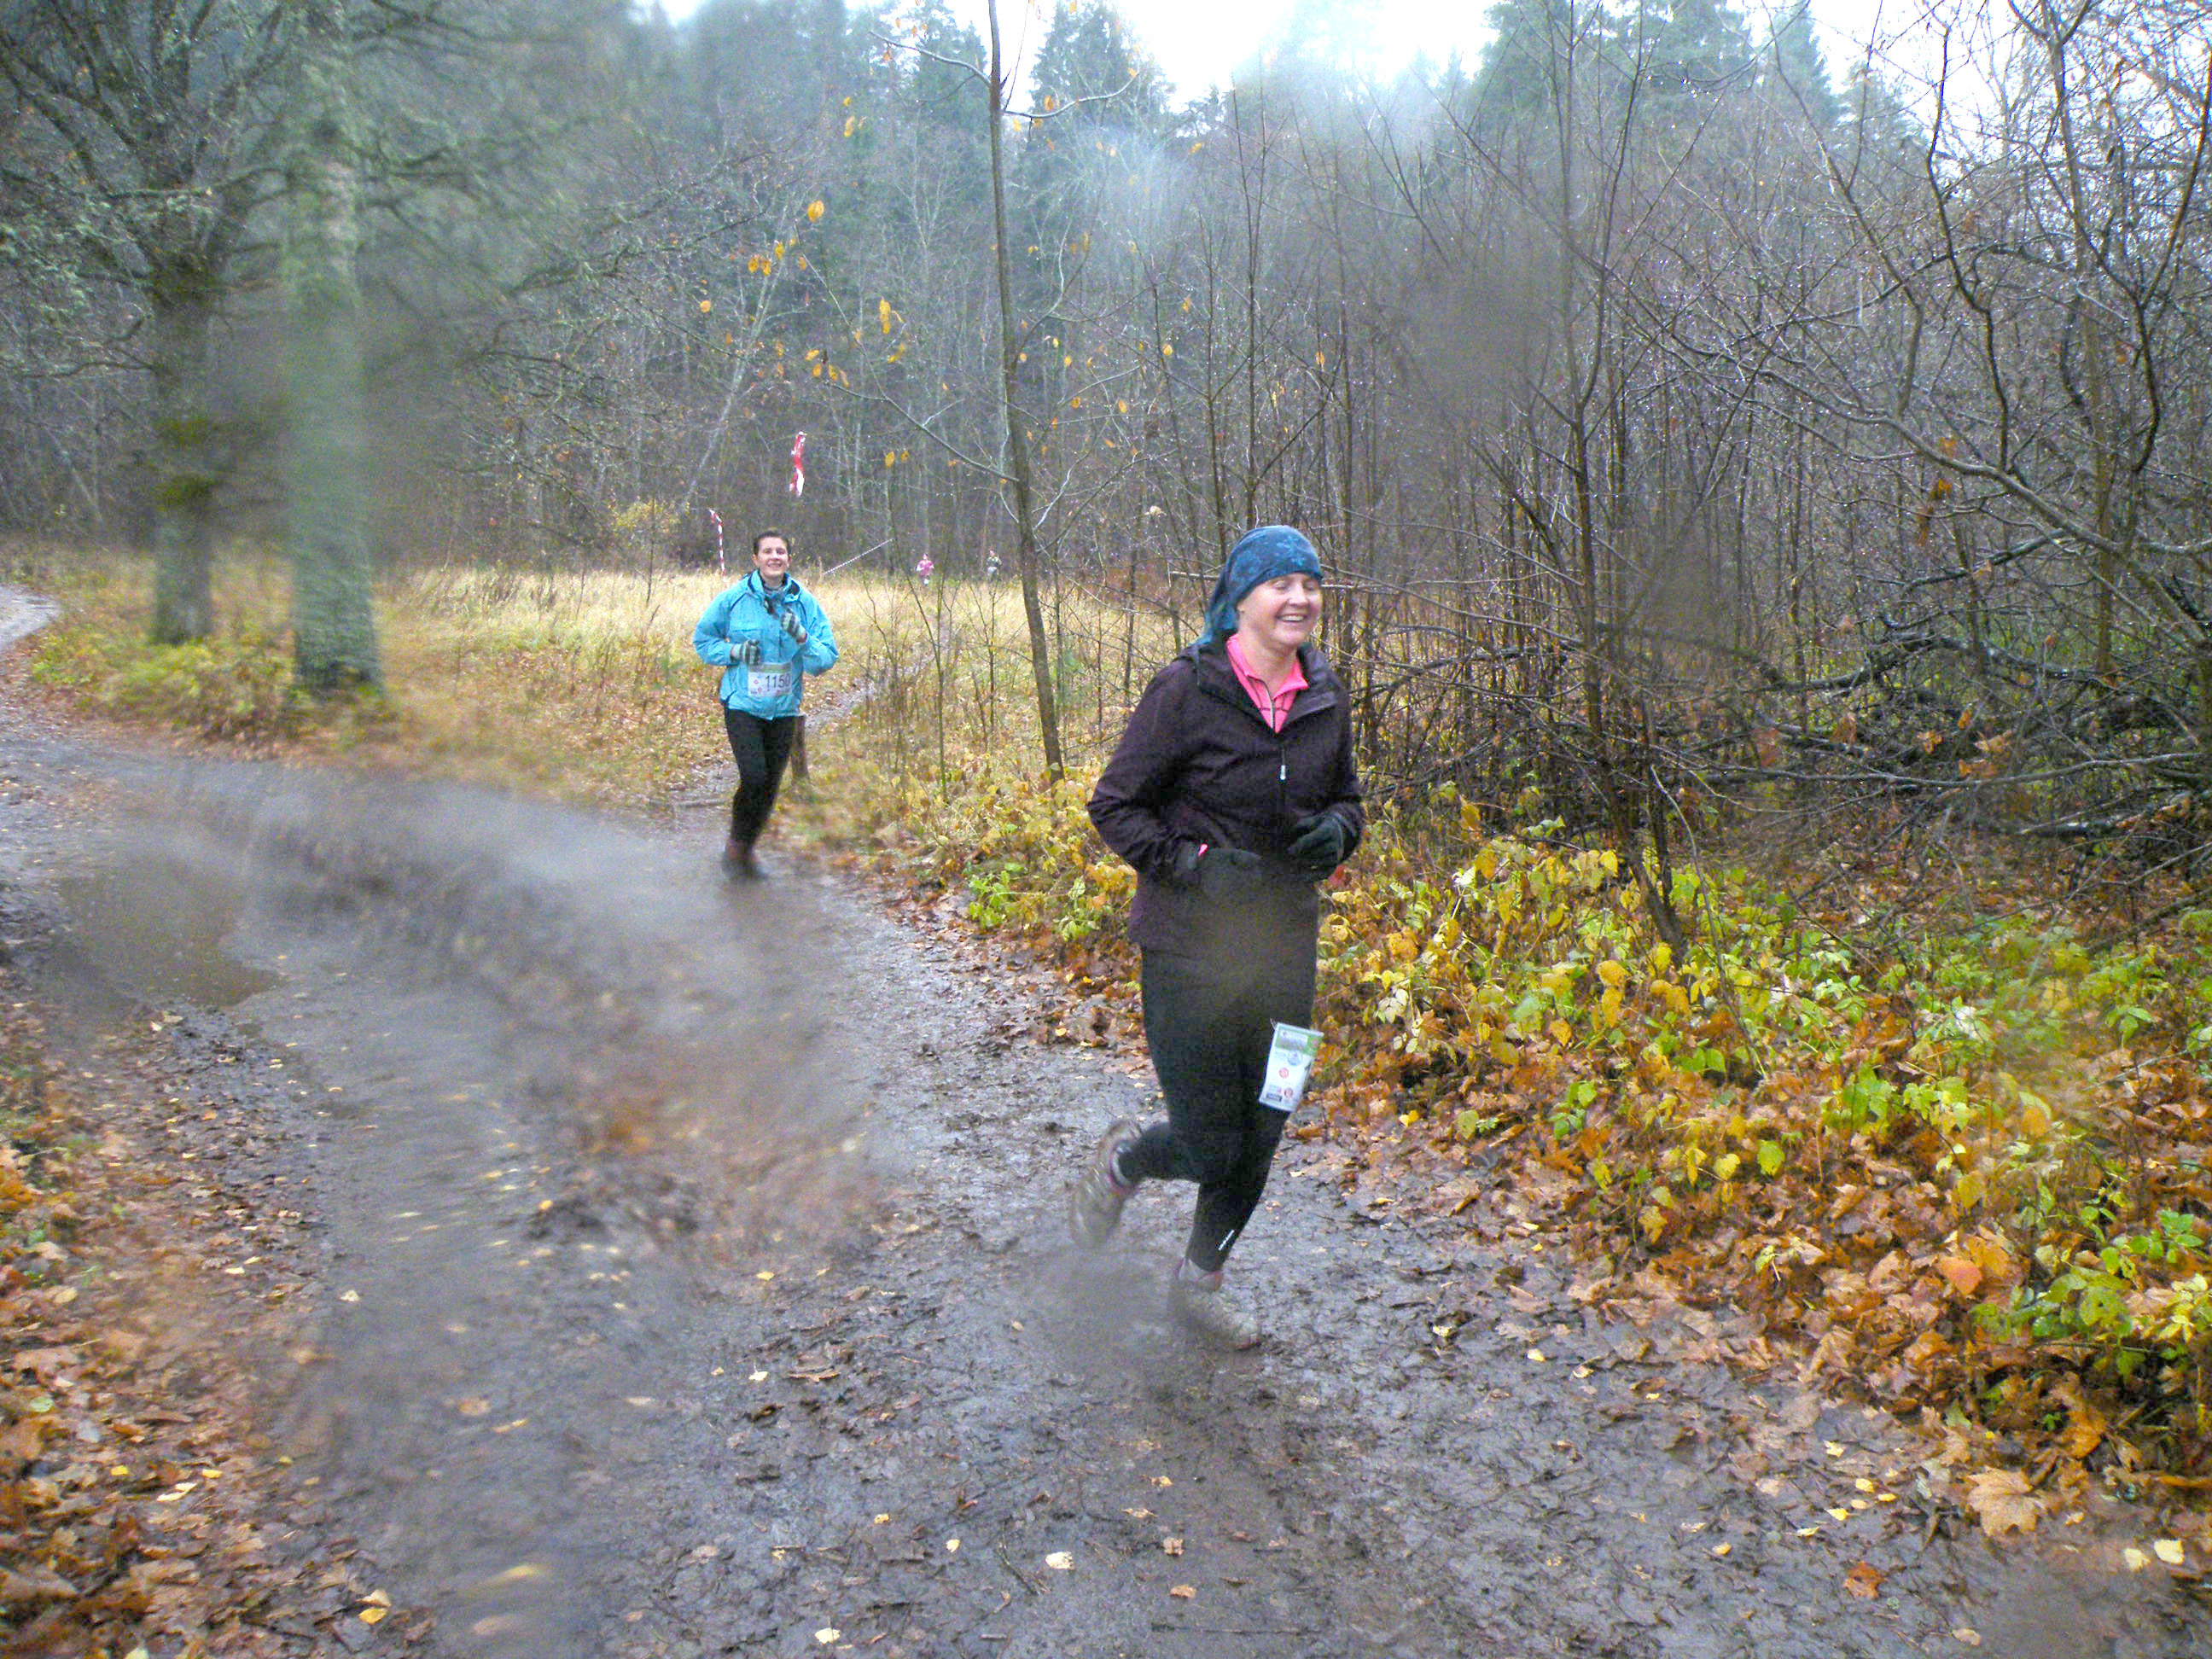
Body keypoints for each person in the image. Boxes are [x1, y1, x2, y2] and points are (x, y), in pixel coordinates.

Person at [1075, 525, 1362, 1348]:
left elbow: (1348, 799)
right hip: (1189, 951)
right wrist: (1194, 865)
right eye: (1281, 584)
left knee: (1264, 1130)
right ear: (1240, 598)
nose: (1300, 599)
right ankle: (1126, 1163)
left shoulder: (1325, 694)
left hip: (1285, 950)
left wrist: (1340, 832)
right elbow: (1114, 805)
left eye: (1310, 584)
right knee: (1208, 1143)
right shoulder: (1186, 689)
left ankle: (1199, 1283)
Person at [693, 527, 838, 880]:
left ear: (789, 558)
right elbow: (703, 641)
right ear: (755, 558)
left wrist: (802, 637)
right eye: (768, 551)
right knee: (754, 776)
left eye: (781, 552)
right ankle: (735, 848)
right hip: (742, 704)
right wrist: (735, 651)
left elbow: (825, 659)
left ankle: (744, 851)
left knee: (770, 785)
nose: (775, 557)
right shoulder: (733, 599)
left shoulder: (805, 603)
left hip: (784, 708)